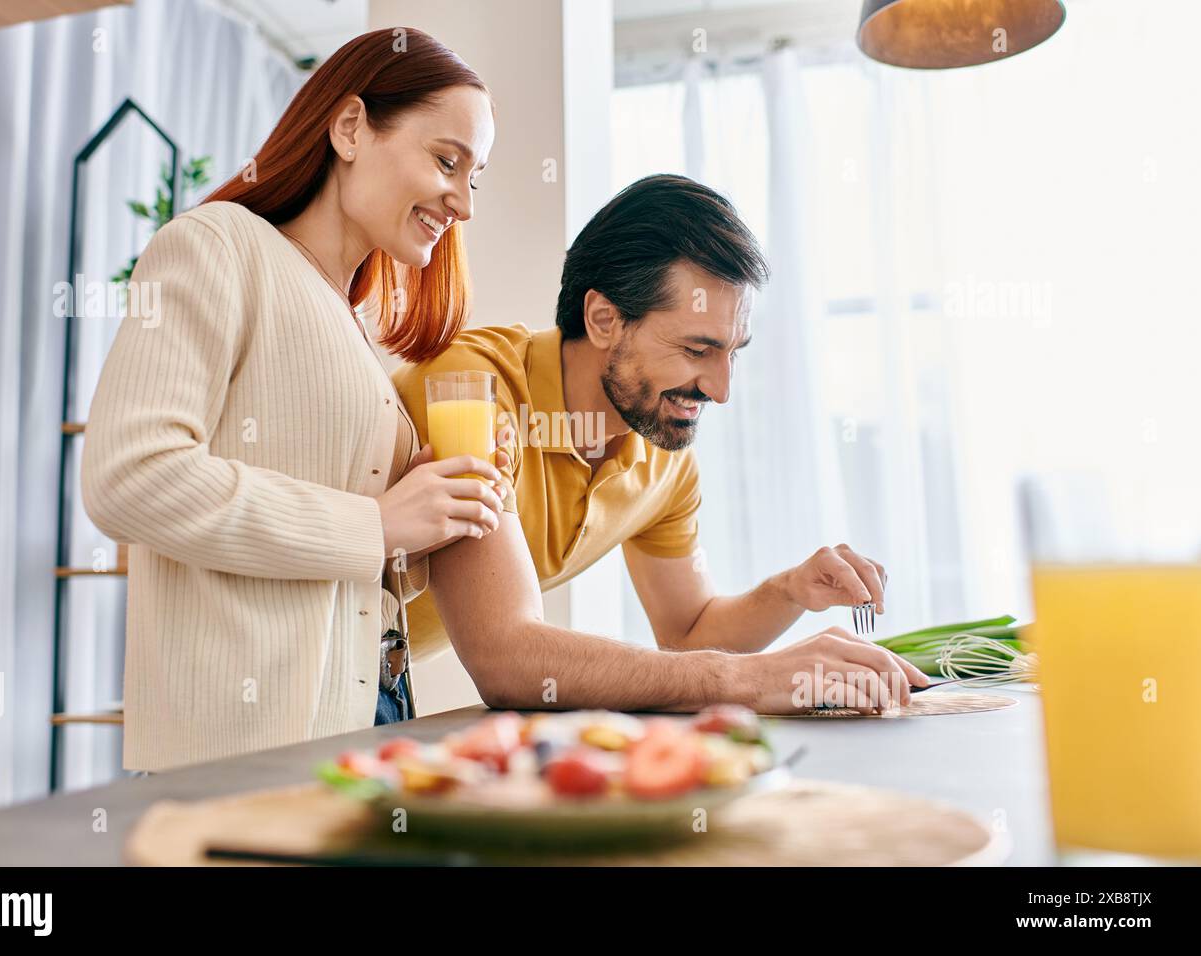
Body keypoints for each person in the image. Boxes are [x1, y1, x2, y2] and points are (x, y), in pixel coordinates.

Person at [81, 28, 505, 772]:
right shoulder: (217, 246)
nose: (464, 203)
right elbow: (130, 476)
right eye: (447, 161)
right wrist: (374, 523)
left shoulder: (354, 322)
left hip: (363, 722)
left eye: (477, 179)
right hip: (241, 752)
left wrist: (422, 514)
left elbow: (348, 566)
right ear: (349, 128)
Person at [393, 175, 929, 716]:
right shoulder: (470, 394)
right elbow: (505, 658)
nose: (720, 391)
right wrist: (749, 677)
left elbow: (688, 632)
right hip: (325, 684)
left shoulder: (660, 454)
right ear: (603, 318)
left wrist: (788, 591)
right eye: (698, 349)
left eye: (732, 354)